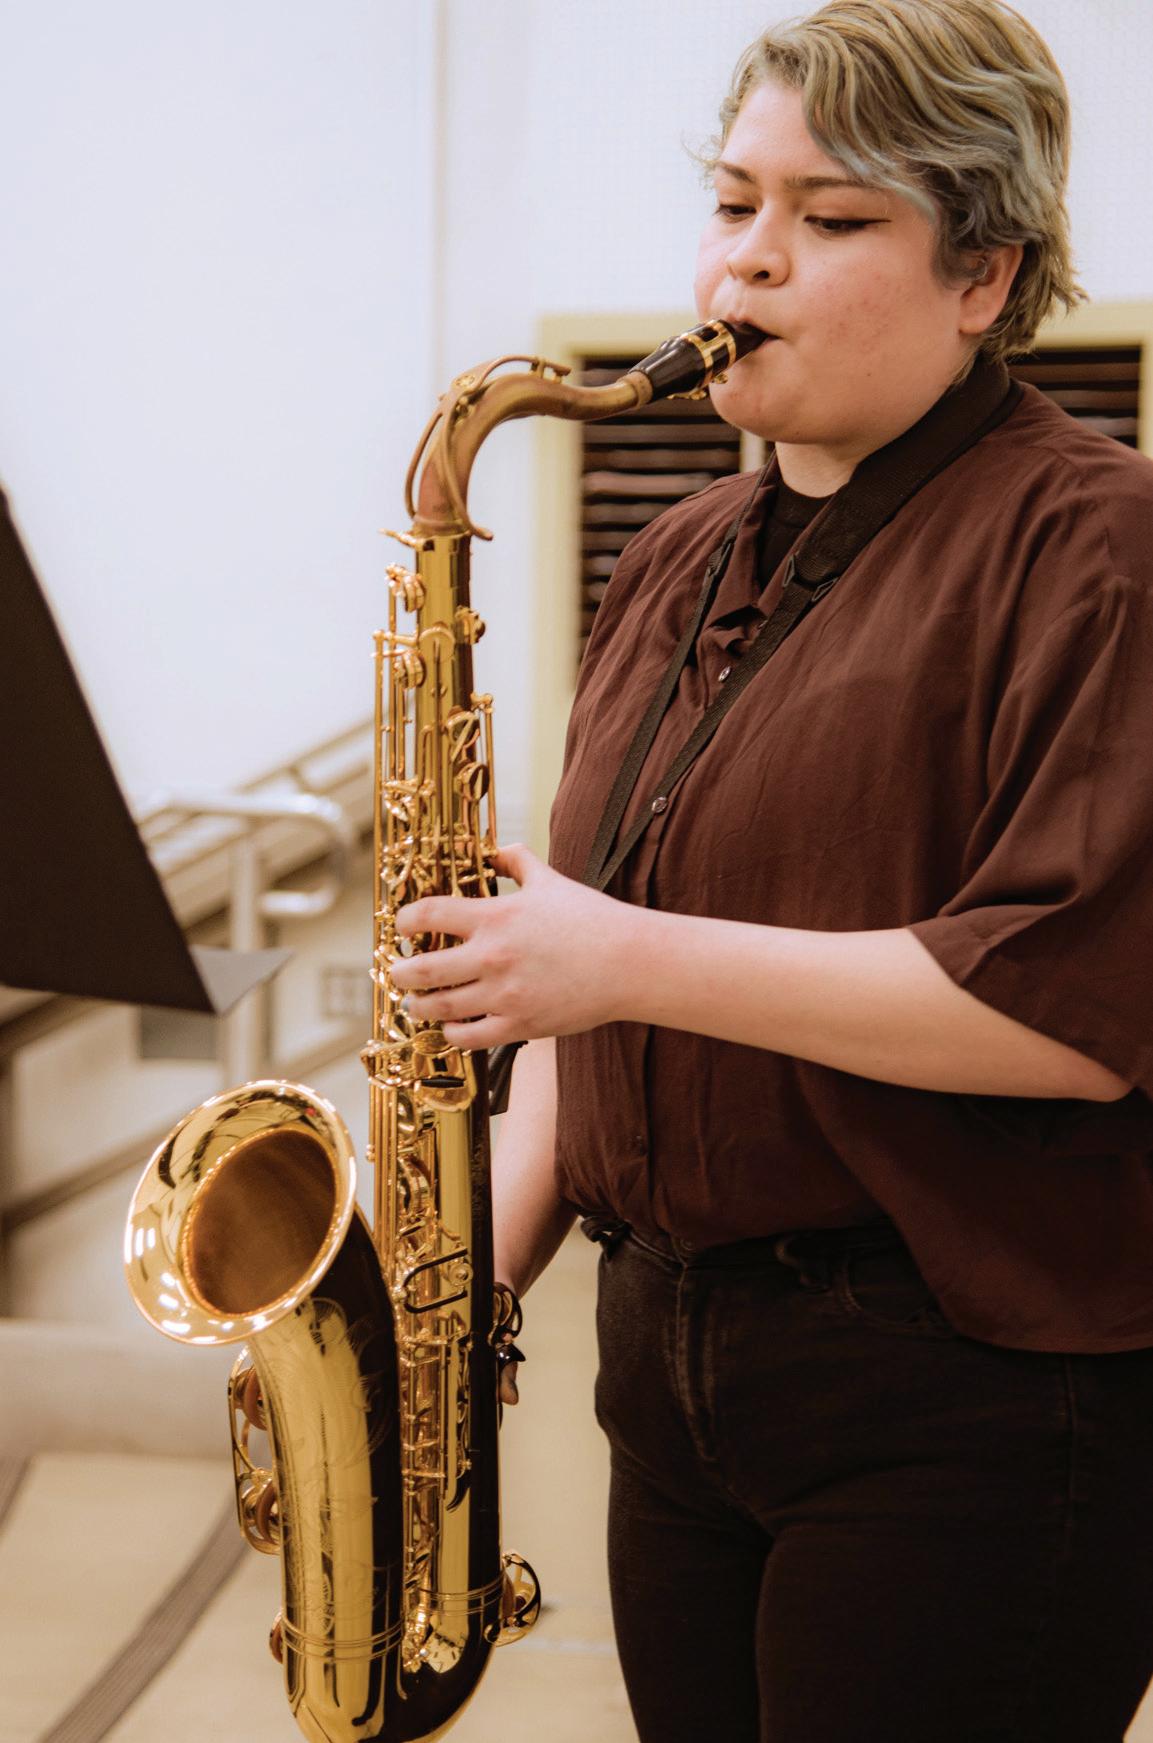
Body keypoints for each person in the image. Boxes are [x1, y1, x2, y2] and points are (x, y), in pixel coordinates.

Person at [392, 3, 1153, 1738]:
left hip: (964, 1402)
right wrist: (438, 1303)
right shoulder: (672, 555)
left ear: (981, 274)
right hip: (669, 1367)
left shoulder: (1098, 540)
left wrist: (619, 961)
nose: (745, 263)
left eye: (832, 218)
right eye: (733, 203)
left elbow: (1069, 1018)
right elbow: (576, 990)